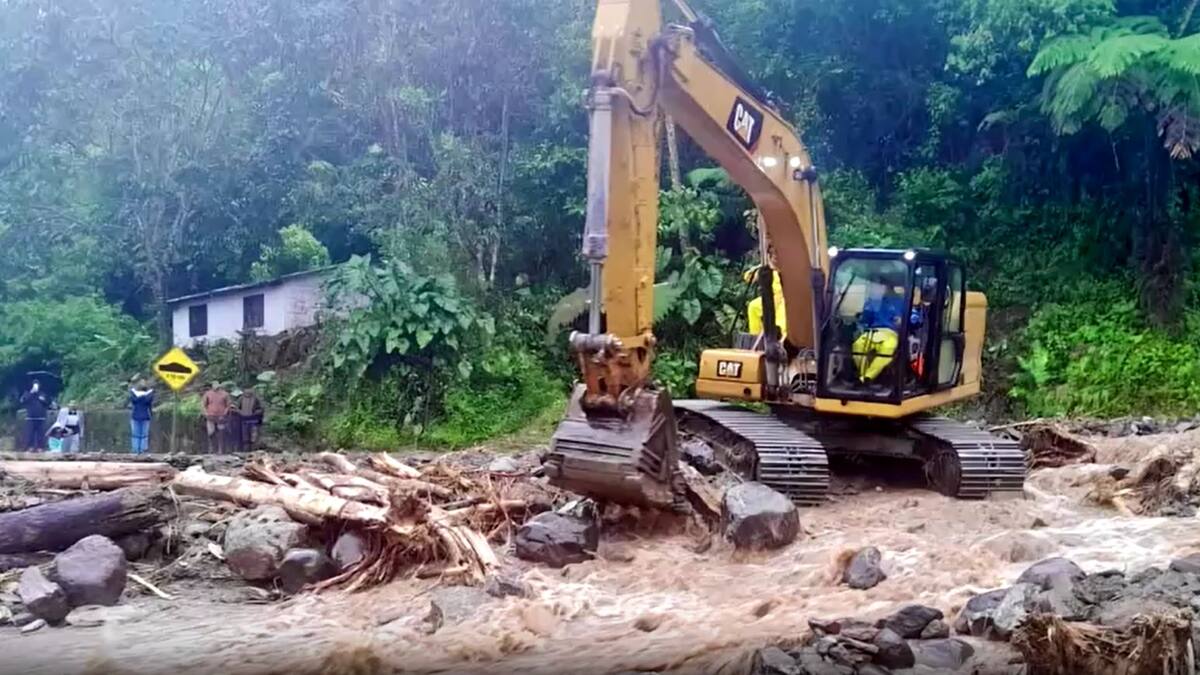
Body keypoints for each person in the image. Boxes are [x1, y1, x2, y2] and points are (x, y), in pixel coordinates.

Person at [19, 380, 49, 452]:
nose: (36, 386)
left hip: (40, 417)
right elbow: (22, 401)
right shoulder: (27, 393)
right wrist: (31, 393)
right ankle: (30, 447)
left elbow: (47, 403)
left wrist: (43, 400)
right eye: (34, 384)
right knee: (30, 433)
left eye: (37, 385)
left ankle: (40, 447)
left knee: (40, 433)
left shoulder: (42, 394)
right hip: (30, 417)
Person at [202, 382, 231, 454]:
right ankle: (212, 449)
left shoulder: (225, 394)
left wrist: (225, 413)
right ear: (212, 387)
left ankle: (221, 450)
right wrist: (206, 413)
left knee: (221, 433)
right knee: (211, 433)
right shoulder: (208, 394)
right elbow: (204, 405)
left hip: (221, 417)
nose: (216, 388)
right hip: (210, 416)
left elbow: (228, 405)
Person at [129, 382, 155, 454]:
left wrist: (131, 387)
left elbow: (131, 392)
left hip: (135, 417)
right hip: (145, 417)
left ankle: (135, 450)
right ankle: (143, 450)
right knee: (144, 435)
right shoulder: (148, 397)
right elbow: (151, 394)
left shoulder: (134, 397)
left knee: (135, 435)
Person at [237, 386, 265, 451]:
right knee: (245, 437)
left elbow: (261, 408)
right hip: (244, 420)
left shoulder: (256, 399)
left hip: (254, 420)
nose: (248, 393)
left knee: (253, 437)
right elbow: (237, 407)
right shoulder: (241, 399)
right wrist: (240, 412)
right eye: (246, 391)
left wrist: (255, 413)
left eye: (249, 391)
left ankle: (253, 450)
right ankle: (246, 451)